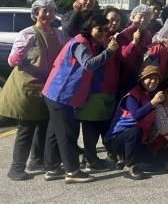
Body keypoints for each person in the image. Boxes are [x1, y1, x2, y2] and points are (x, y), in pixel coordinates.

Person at [42, 13, 118, 184]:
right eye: (99, 29)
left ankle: (52, 168)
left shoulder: (88, 42)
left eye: (105, 30)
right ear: (90, 28)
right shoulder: (80, 43)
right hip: (61, 94)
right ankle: (72, 171)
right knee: (67, 134)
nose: (103, 33)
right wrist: (109, 51)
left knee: (54, 132)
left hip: (56, 92)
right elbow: (89, 64)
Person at [0, 0, 67, 181]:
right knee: (27, 127)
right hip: (27, 87)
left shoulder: (59, 35)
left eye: (51, 11)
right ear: (36, 13)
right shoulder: (27, 34)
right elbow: (12, 61)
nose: (48, 14)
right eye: (44, 11)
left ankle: (37, 160)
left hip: (48, 86)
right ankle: (16, 168)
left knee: (44, 124)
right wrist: (18, 55)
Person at [77, 7, 123, 172]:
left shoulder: (118, 39)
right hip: (94, 89)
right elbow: (91, 64)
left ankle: (104, 156)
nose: (113, 24)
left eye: (117, 20)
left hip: (111, 88)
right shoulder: (95, 40)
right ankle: (90, 158)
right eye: (110, 20)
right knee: (91, 126)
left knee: (105, 125)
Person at [106, 65, 164, 180]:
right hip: (116, 139)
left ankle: (126, 161)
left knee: (151, 155)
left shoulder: (147, 96)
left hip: (134, 141)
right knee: (135, 131)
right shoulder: (132, 95)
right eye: (150, 78)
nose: (153, 81)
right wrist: (153, 103)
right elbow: (136, 115)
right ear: (142, 79)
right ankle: (128, 167)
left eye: (156, 79)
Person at [117, 4, 154, 93]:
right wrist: (134, 42)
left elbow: (146, 52)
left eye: (147, 18)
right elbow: (123, 56)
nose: (143, 20)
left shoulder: (148, 34)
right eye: (140, 16)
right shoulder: (124, 34)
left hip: (140, 75)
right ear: (133, 17)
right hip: (123, 75)